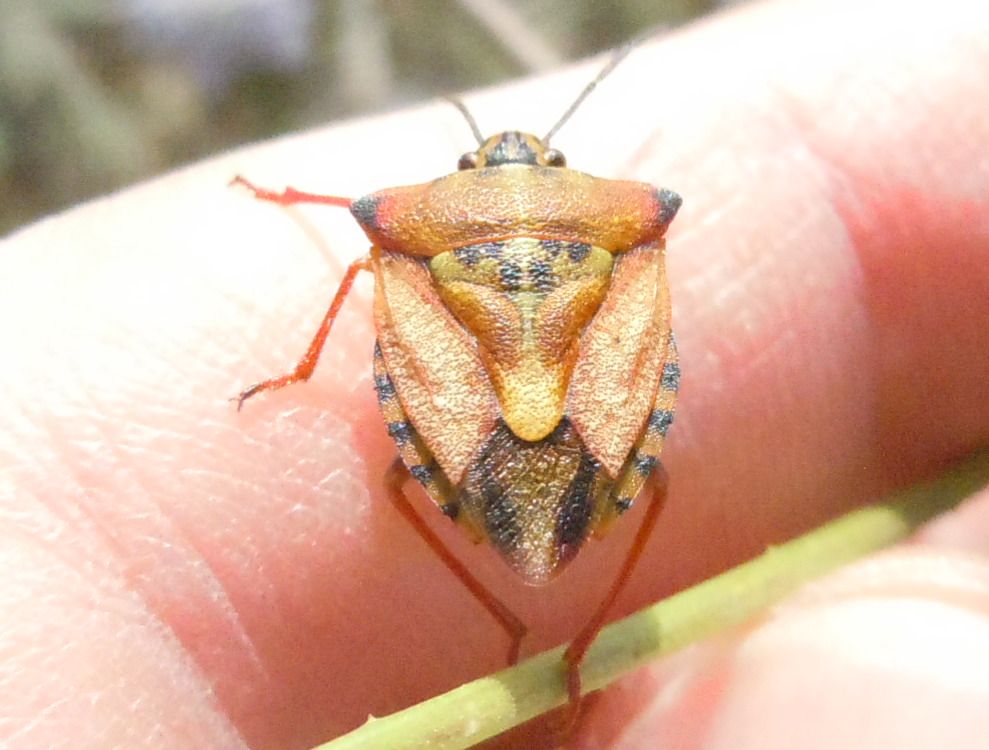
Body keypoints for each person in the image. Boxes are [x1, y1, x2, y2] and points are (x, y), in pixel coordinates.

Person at [1, 0, 987, 747]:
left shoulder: (405, 236)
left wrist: (296, 220)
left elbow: (368, 223)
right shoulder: (631, 233)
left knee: (401, 467)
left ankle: (517, 620)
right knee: (652, 485)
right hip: (589, 429)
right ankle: (558, 638)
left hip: (467, 417)